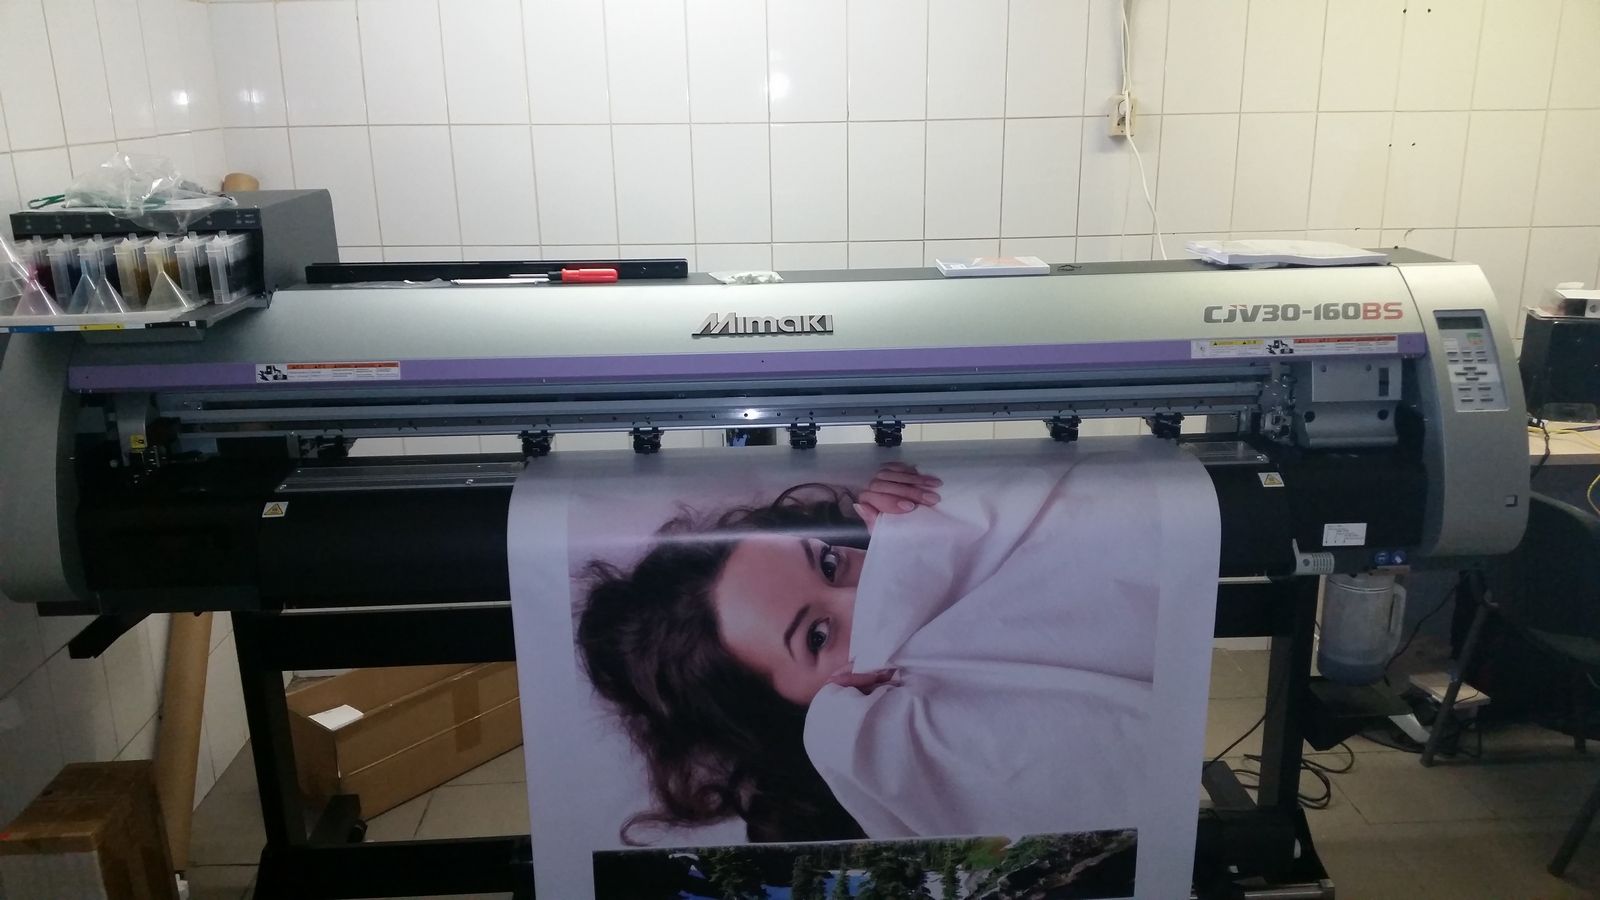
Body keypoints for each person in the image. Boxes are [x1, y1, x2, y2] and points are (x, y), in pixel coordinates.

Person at [575, 462, 942, 844]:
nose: (860, 595)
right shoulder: (880, 811)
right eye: (817, 637)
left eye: (830, 564)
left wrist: (910, 505)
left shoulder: (923, 543)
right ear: (787, 713)